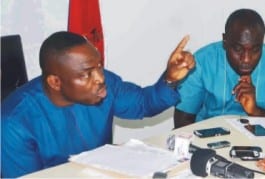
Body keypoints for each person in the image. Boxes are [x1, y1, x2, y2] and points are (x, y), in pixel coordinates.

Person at [1, 31, 195, 178]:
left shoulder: (103, 86)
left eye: (99, 67)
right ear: (55, 82)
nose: (100, 78)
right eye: (86, 74)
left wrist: (170, 79)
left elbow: (143, 103)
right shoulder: (13, 123)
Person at [174, 8, 265, 128]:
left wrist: (255, 111)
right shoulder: (202, 62)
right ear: (225, 41)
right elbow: (182, 122)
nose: (246, 59)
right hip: (211, 144)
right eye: (238, 49)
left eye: (255, 49)